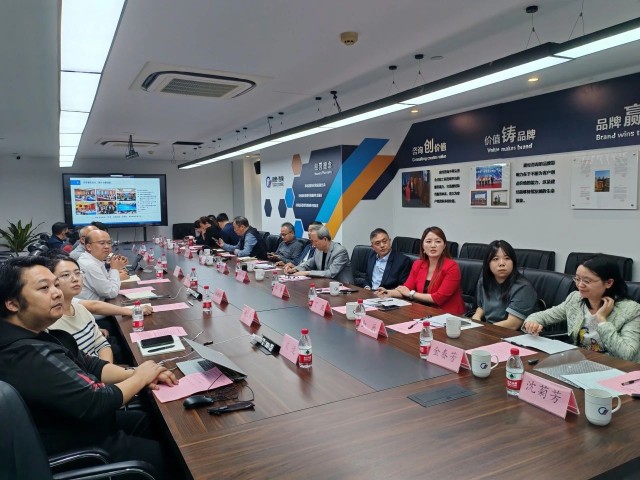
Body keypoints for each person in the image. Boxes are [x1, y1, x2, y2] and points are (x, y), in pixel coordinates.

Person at [0, 256, 177, 474]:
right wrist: (141, 378)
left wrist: (136, 372)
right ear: (12, 303)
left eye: (56, 285)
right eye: (44, 288)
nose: (57, 293)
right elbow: (96, 401)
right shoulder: (25, 354)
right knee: (174, 455)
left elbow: (91, 364)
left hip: (84, 426)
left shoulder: (36, 333)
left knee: (155, 422)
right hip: (82, 448)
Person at [523, 255, 640, 362]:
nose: (580, 285)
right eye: (577, 279)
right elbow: (544, 316)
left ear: (608, 282)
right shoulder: (576, 299)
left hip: (615, 368)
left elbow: (627, 355)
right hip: (580, 363)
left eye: (587, 281)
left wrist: (602, 320)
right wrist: (532, 322)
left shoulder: (631, 310)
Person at [379, 226, 464, 315]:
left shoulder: (452, 267)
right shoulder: (418, 264)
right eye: (428, 241)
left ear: (444, 246)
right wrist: (388, 292)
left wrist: (411, 294)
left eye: (438, 241)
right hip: (423, 311)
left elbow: (438, 298)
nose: (433, 245)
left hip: (448, 315)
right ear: (423, 245)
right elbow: (406, 288)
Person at [471, 240, 539, 329]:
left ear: (513, 262)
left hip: (511, 333)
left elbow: (512, 324)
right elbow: (482, 306)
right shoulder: (483, 281)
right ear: (488, 263)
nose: (502, 263)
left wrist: (484, 329)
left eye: (507, 258)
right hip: (490, 329)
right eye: (495, 259)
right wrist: (476, 317)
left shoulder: (523, 287)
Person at [284, 226, 353, 283]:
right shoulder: (318, 250)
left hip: (343, 286)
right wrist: (295, 269)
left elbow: (330, 273)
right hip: (325, 283)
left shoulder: (340, 251)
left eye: (316, 241)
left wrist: (307, 273)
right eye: (312, 241)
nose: (313, 245)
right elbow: (308, 264)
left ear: (325, 239)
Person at [77, 230, 129, 301]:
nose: (107, 246)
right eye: (102, 243)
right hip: (92, 307)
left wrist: (115, 266)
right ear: (89, 247)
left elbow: (107, 282)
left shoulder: (94, 259)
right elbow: (111, 293)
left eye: (109, 243)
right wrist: (115, 269)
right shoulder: (90, 265)